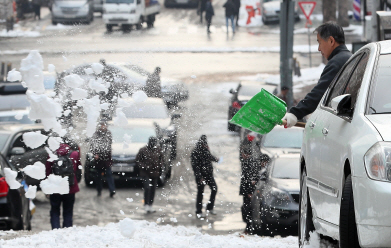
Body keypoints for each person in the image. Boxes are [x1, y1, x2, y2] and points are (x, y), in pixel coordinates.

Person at [282, 21, 352, 128]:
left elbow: (319, 93)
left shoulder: (337, 62)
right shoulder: (349, 58)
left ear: (331, 41)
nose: (319, 49)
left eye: (319, 42)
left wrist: (295, 113)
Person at [45, 141, 81, 229]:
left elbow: (48, 172)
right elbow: (78, 170)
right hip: (70, 188)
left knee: (55, 211)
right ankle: (67, 231)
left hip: (55, 188)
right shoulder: (75, 154)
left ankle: (55, 230)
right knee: (68, 211)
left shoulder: (52, 155)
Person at [191, 135, 219, 218]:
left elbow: (209, 157)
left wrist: (216, 159)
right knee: (200, 193)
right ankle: (198, 211)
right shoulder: (195, 152)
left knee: (214, 189)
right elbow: (195, 166)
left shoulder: (206, 149)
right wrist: (199, 177)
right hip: (201, 176)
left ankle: (209, 207)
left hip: (209, 175)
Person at [135, 137, 163, 213]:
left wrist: (160, 168)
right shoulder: (143, 150)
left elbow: (161, 160)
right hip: (145, 173)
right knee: (147, 187)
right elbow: (137, 160)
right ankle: (146, 204)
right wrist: (144, 166)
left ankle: (150, 204)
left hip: (155, 173)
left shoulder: (158, 150)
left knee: (153, 189)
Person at [239, 139, 260, 234]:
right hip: (246, 190)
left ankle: (249, 227)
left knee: (248, 209)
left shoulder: (249, 164)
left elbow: (250, 180)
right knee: (247, 208)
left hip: (248, 191)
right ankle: (248, 226)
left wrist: (249, 192)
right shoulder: (247, 162)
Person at [90, 120, 116, 197]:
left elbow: (109, 144)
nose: (103, 126)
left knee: (109, 175)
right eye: (102, 125)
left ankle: (112, 190)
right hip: (99, 160)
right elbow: (93, 145)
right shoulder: (96, 134)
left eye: (104, 125)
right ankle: (99, 190)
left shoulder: (108, 133)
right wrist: (95, 154)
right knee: (98, 176)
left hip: (106, 159)